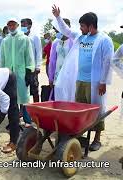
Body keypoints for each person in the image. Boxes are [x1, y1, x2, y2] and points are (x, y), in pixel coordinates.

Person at [52, 5, 114, 151]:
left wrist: (103, 82)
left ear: (91, 26)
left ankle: (97, 139)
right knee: (80, 109)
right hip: (80, 80)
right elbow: (66, 30)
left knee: (97, 110)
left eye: (82, 26)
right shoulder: (82, 37)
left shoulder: (104, 40)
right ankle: (81, 137)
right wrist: (58, 17)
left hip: (95, 82)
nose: (80, 28)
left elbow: (107, 62)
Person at [0, 18, 35, 128]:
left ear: (17, 25)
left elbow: (29, 56)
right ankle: (13, 122)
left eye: (13, 25)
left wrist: (29, 72)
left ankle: (27, 120)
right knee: (11, 98)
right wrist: (2, 73)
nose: (11, 27)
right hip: (9, 74)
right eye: (9, 25)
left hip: (21, 73)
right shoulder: (5, 41)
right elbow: (3, 58)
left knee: (24, 97)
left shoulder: (25, 39)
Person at [48, 19, 74, 99]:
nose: (57, 33)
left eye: (58, 31)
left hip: (69, 76)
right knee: (58, 98)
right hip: (57, 75)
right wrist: (51, 77)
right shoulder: (56, 42)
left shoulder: (73, 41)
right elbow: (52, 61)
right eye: (56, 31)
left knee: (68, 98)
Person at [21, 18, 42, 103]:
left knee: (34, 89)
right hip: (22, 67)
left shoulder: (35, 37)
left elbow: (39, 51)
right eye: (21, 25)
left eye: (24, 25)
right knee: (23, 89)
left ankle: (36, 107)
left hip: (32, 67)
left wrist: (38, 66)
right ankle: (23, 110)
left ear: (30, 25)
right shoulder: (20, 37)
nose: (22, 27)